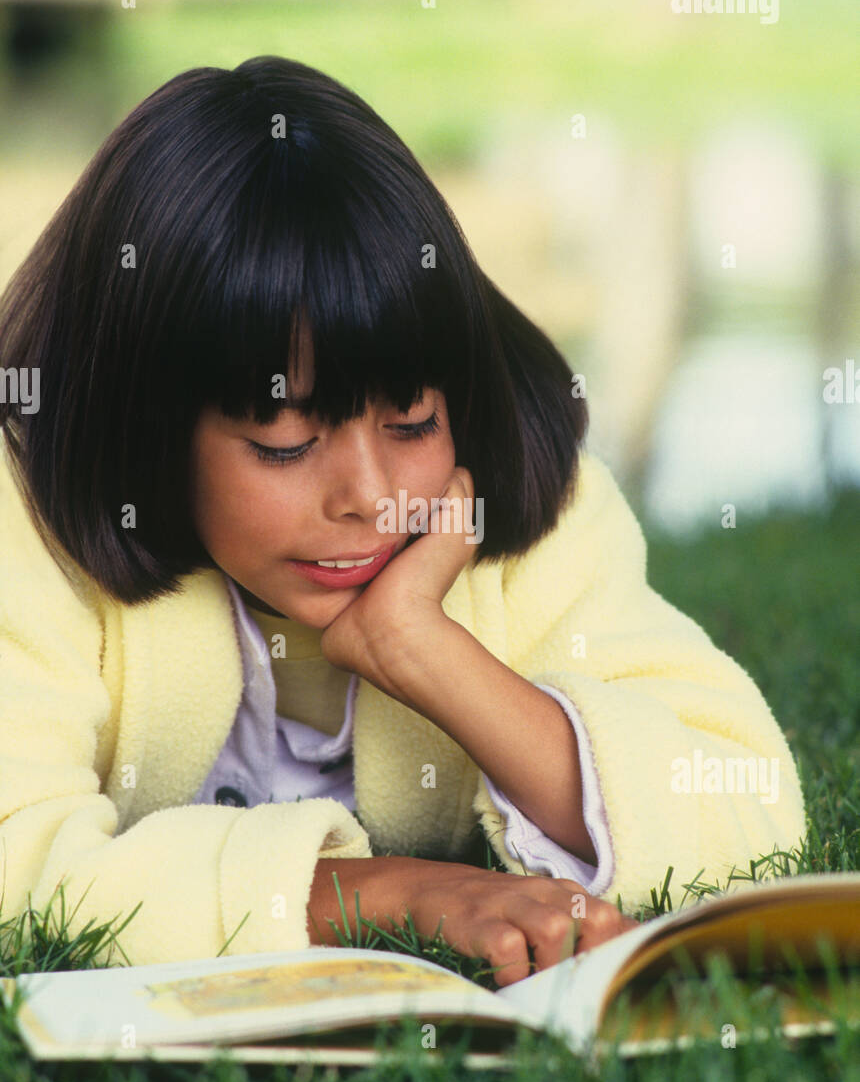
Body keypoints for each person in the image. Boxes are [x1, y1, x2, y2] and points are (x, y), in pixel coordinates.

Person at [0, 56, 805, 989]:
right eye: (284, 441)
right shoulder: (25, 523)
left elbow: (749, 816)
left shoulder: (522, 511)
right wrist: (388, 893)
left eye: (412, 423)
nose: (374, 498)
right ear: (147, 417)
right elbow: (21, 873)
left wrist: (422, 648)